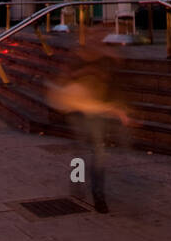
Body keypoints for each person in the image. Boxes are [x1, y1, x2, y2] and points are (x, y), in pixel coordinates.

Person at [46, 47, 128, 214]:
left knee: (98, 151)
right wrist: (86, 70)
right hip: (77, 109)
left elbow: (111, 84)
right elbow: (65, 79)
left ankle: (98, 195)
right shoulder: (77, 56)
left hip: (96, 109)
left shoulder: (106, 57)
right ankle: (77, 181)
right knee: (81, 149)